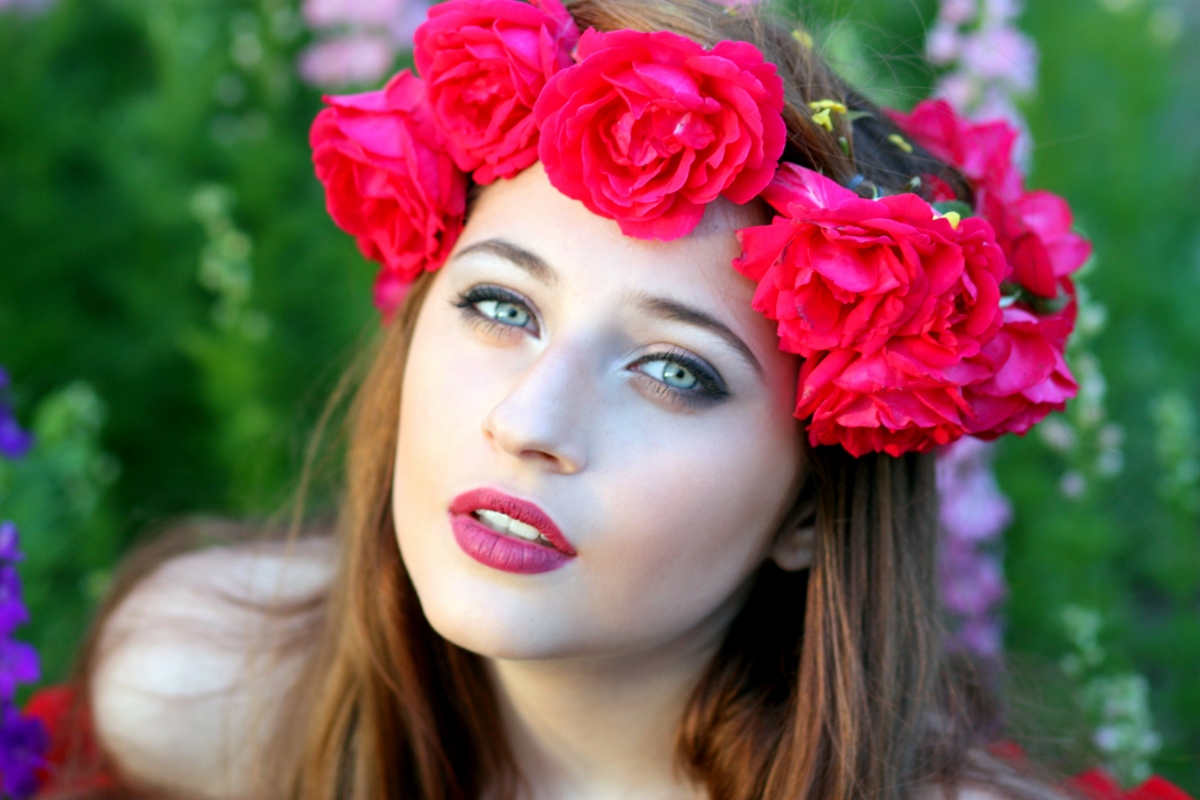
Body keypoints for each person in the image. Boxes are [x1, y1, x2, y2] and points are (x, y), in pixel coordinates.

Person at [45, 0, 1092, 798]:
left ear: (813, 511)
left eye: (678, 370)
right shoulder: (204, 692)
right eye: (500, 304)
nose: (529, 421)